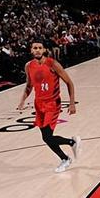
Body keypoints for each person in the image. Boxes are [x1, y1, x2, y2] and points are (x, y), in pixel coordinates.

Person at [17, 41, 80, 173]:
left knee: (48, 137)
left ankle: (71, 145)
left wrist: (72, 103)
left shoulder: (53, 64)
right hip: (39, 104)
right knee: (46, 138)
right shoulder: (28, 66)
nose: (37, 50)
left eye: (40, 48)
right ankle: (66, 155)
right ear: (31, 50)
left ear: (44, 50)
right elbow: (29, 86)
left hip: (52, 103)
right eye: (35, 48)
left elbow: (69, 83)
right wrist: (22, 100)